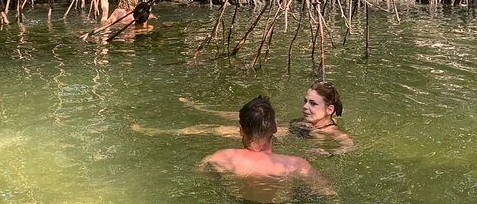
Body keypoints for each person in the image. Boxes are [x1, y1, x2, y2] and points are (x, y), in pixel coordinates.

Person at [133, 81, 354, 157]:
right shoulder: (309, 121)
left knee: (215, 129)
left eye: (313, 103)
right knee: (242, 114)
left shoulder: (330, 131)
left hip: (280, 136)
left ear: (329, 109)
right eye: (305, 101)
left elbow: (350, 146)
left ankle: (160, 132)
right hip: (284, 128)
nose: (305, 106)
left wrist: (328, 153)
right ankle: (199, 107)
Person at [199, 96, 335, 202]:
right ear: (275, 127)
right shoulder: (296, 165)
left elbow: (201, 179)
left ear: (241, 130)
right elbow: (329, 193)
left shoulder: (220, 158)